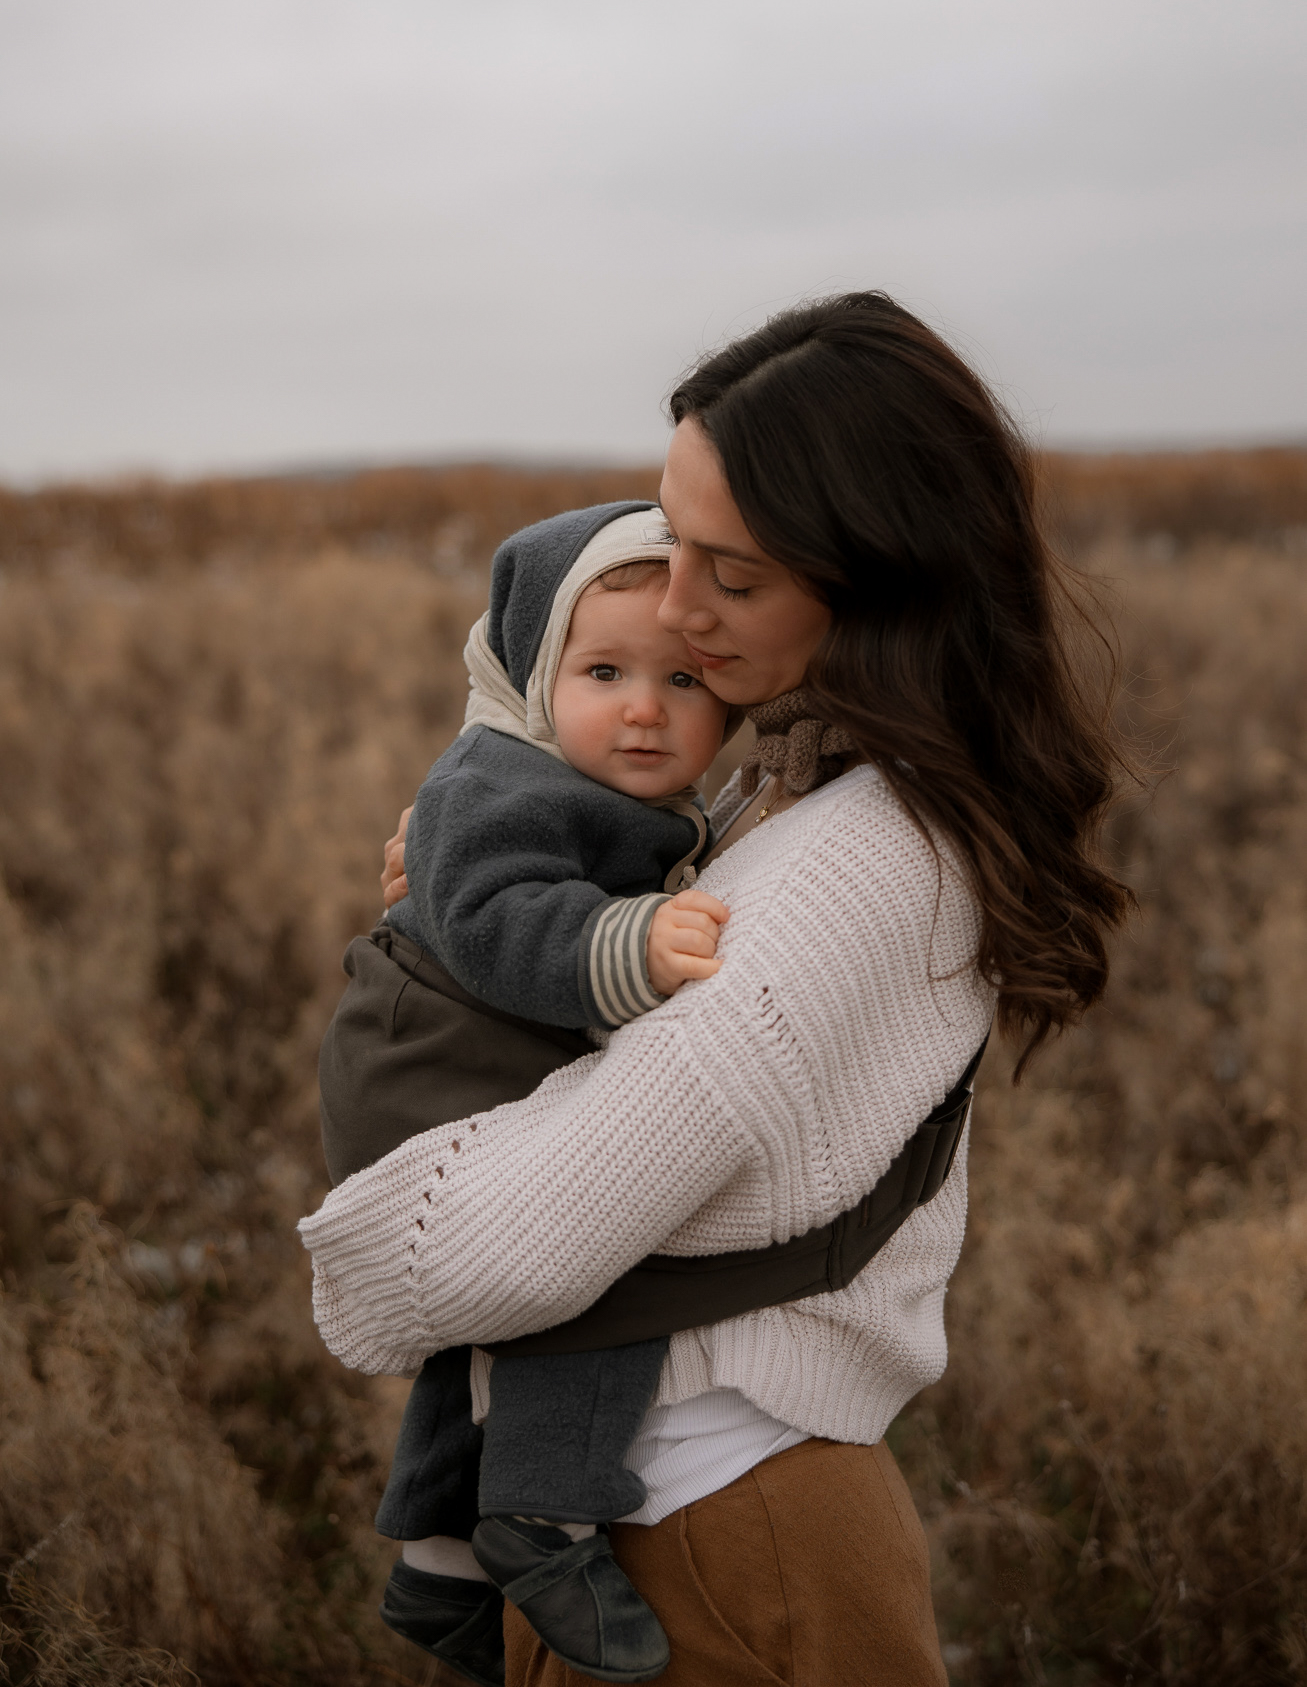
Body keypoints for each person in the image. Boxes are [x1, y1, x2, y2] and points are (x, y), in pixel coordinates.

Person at [302, 291, 1130, 1686]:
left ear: (877, 579)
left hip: (714, 1530)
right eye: (671, 544)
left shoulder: (853, 866)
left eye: (729, 578)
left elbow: (481, 1257)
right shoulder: (786, 787)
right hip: (678, 1511)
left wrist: (368, 1223)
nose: (676, 615)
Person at [319, 502, 738, 1684]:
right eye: (602, 670)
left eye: (686, 679)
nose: (646, 707)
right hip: (429, 1061)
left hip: (448, 1051)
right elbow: (501, 921)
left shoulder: (583, 775)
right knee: (590, 1268)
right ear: (527, 672)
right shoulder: (493, 780)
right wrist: (631, 943)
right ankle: (545, 1512)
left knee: (486, 1319)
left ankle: (440, 1562)